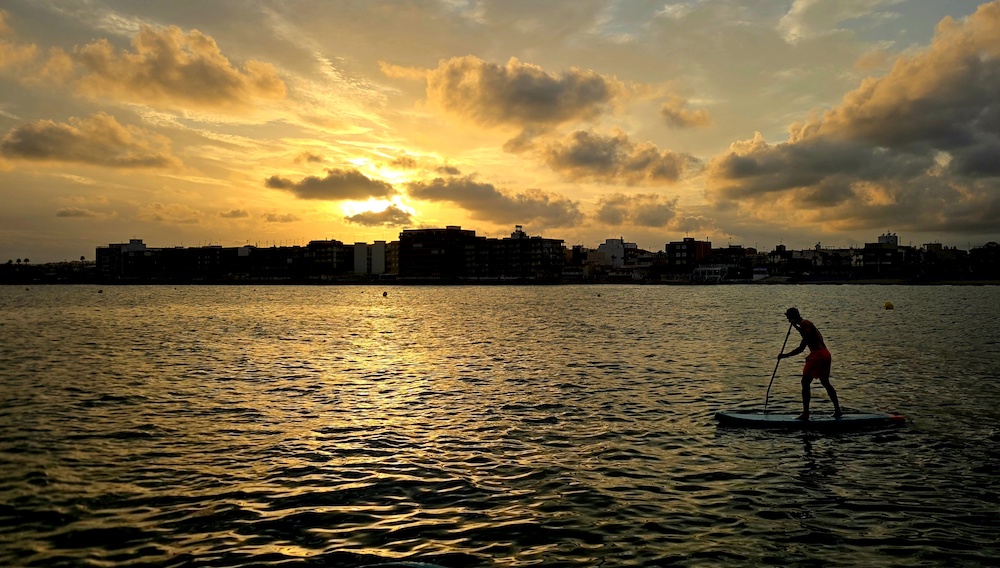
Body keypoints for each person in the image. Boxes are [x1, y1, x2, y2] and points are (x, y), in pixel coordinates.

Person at [778, 307, 842, 420]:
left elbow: (806, 337)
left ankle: (806, 413)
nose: (788, 319)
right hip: (825, 354)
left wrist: (796, 328)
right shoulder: (805, 326)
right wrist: (785, 355)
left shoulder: (804, 323)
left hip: (818, 355)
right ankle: (837, 410)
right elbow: (803, 345)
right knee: (825, 382)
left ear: (793, 317)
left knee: (805, 382)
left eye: (788, 317)